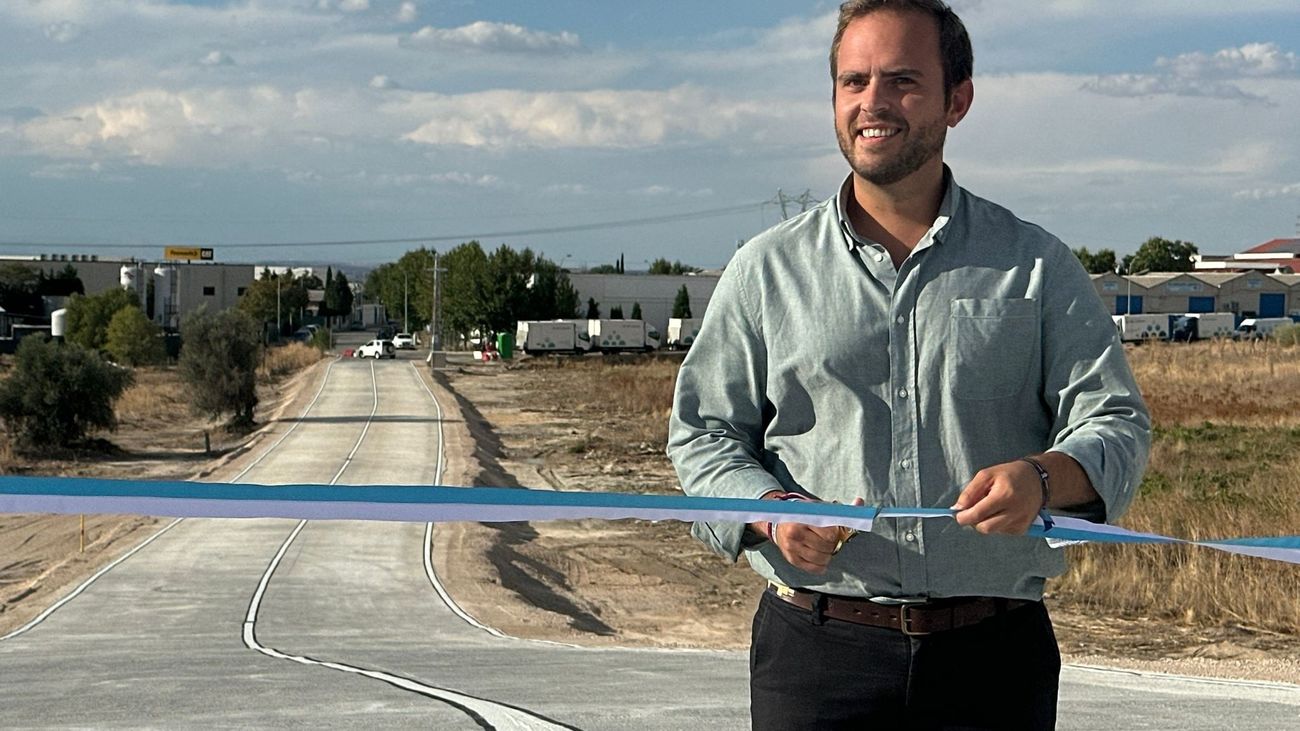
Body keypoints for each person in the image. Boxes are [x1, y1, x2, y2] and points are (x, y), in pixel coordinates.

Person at [666, 1, 1151, 729]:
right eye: (853, 80)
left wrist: (1042, 477)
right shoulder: (764, 271)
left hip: (992, 660)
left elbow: (1115, 422)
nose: (873, 103)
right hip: (816, 657)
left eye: (902, 81)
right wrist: (768, 516)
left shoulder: (1035, 266)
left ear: (958, 99)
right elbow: (702, 434)